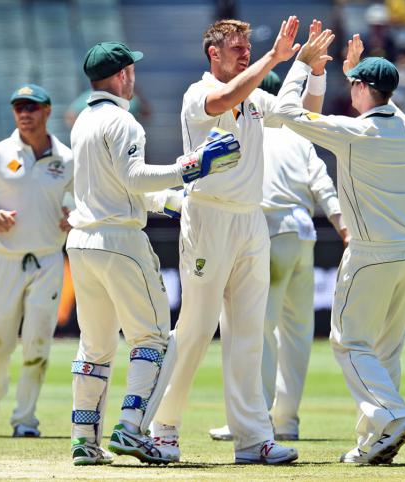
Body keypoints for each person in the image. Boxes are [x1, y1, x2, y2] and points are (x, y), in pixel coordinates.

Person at [151, 17, 330, 465]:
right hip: (209, 217)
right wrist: (276, 58)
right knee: (194, 328)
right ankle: (161, 427)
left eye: (249, 46)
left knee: (250, 332)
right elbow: (225, 99)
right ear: (213, 52)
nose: (245, 52)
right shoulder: (199, 92)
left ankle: (252, 438)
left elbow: (296, 113)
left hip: (252, 222)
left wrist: (308, 67)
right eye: (236, 47)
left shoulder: (255, 99)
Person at [67, 41, 240, 466]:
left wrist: (179, 203)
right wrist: (192, 166)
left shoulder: (83, 121)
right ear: (123, 75)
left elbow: (119, 187)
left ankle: (84, 440)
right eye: (132, 71)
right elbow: (134, 177)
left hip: (83, 243)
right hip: (121, 244)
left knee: (95, 346)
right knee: (153, 339)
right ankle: (131, 428)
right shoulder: (124, 123)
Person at [273, 33, 405, 464]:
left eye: (353, 84)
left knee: (349, 343)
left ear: (361, 89)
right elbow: (374, 99)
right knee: (384, 351)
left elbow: (285, 112)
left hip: (370, 254)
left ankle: (392, 416)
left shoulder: (354, 133)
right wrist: (354, 74)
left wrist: (302, 65)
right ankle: (373, 440)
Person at [209, 71, 349, 443]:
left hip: (268, 232)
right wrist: (343, 226)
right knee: (297, 333)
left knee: (257, 329)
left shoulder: (248, 129)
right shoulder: (298, 135)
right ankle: (286, 419)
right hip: (303, 235)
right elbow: (322, 182)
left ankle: (254, 419)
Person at [0, 84, 73, 438]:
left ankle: (26, 419)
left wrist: (74, 215)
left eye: (32, 107)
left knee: (38, 342)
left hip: (49, 259)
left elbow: (84, 199)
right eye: (19, 107)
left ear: (47, 111)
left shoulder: (67, 159)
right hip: (5, 259)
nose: (25, 113)